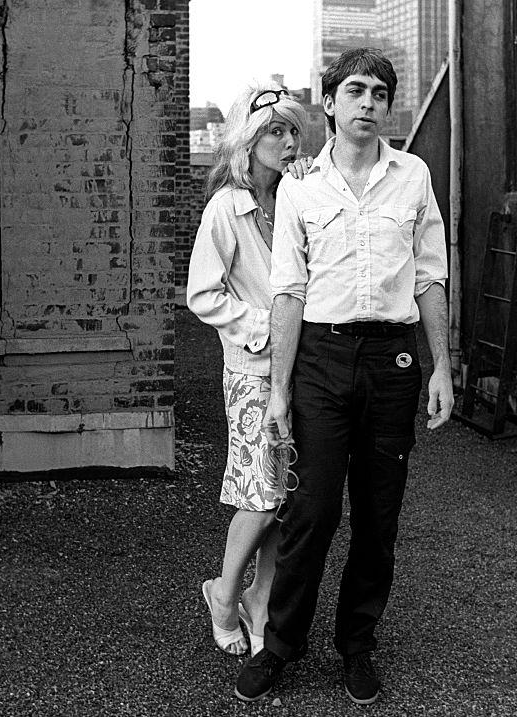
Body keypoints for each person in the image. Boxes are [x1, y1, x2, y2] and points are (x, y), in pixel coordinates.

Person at [234, 48, 454, 704]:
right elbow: (288, 292)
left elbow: (430, 277)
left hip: (394, 362)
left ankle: (357, 642)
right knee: (314, 507)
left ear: (389, 106)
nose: (367, 103)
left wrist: (442, 365)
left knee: (379, 514)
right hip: (323, 363)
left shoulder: (413, 177)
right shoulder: (302, 185)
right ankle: (280, 642)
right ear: (329, 102)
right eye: (354, 90)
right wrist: (277, 392)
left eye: (380, 94)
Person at [187, 83, 308, 658]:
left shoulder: (299, 199)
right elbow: (202, 295)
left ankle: (261, 599)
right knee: (259, 494)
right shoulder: (224, 209)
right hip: (253, 369)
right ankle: (223, 594)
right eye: (274, 132)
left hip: (302, 368)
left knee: (286, 495)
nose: (287, 142)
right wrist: (267, 323)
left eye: (292, 131)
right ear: (248, 142)